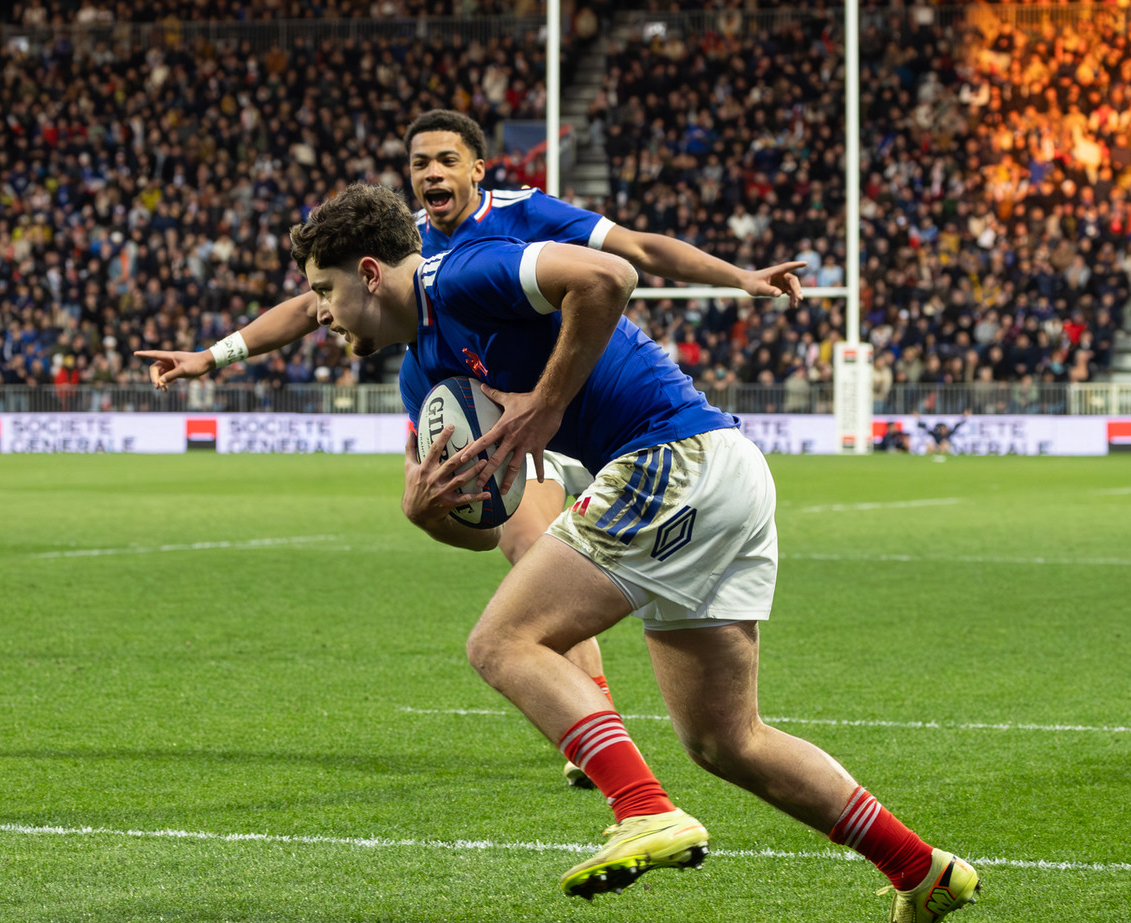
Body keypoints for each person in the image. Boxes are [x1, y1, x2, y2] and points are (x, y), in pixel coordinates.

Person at [289, 182, 980, 923]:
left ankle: (643, 808)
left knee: (502, 642)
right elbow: (486, 527)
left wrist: (549, 401)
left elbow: (610, 275)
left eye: (322, 291)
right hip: (716, 472)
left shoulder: (460, 273)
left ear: (366, 273)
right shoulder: (421, 376)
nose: (316, 314)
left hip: (670, 457)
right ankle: (923, 869)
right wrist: (426, 518)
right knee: (725, 740)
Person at [138, 109, 808, 792]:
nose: (431, 171)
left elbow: (631, 252)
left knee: (523, 610)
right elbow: (309, 307)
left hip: (585, 395)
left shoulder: (522, 218)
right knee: (528, 547)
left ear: (476, 169)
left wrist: (739, 277)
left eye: (445, 159)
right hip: (498, 413)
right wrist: (214, 357)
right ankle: (593, 719)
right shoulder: (409, 259)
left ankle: (621, 769)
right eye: (419, 162)